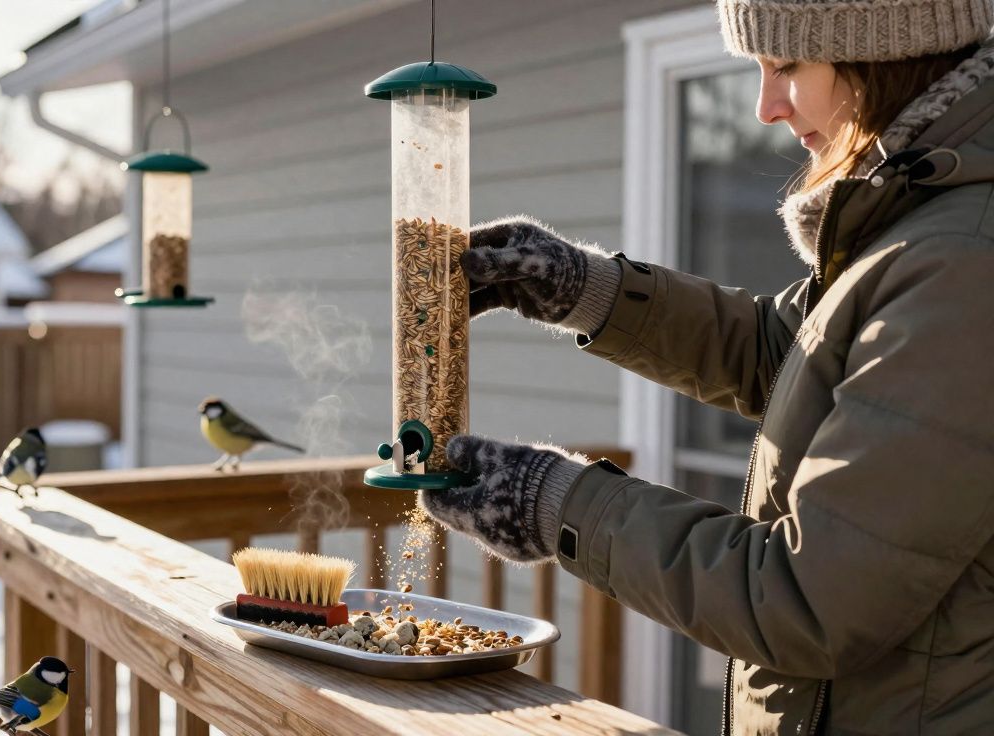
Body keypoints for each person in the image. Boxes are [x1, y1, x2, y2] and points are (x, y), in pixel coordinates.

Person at [422, 1, 994, 733]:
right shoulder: (921, 215)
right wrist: (581, 288)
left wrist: (556, 504)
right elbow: (787, 352)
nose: (765, 107)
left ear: (882, 54)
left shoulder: (964, 260)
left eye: (786, 66)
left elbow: (807, 600)